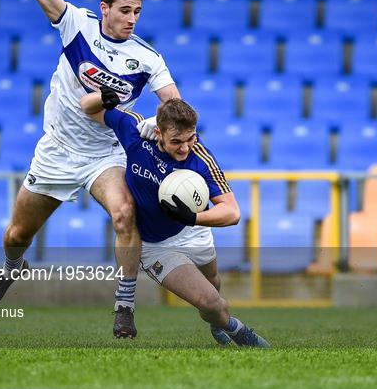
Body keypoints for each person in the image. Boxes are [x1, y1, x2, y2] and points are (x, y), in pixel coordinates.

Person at [0, 0, 180, 338]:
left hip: (104, 153)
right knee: (15, 235)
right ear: (105, 8)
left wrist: (171, 131)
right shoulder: (75, 25)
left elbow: (172, 104)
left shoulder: (147, 58)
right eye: (125, 10)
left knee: (125, 214)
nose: (132, 19)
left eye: (138, 12)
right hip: (58, 150)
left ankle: (124, 308)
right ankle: (11, 268)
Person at [80, 90, 271, 347]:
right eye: (176, 141)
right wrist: (104, 96)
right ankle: (238, 331)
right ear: (158, 133)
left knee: (214, 285)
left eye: (190, 138)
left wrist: (193, 217)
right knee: (211, 302)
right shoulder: (135, 133)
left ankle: (216, 322)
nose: (185, 147)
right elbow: (88, 107)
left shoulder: (200, 159)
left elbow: (232, 211)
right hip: (156, 245)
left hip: (192, 228)